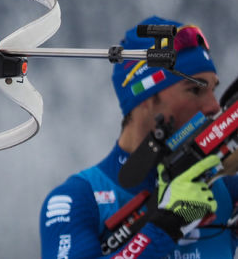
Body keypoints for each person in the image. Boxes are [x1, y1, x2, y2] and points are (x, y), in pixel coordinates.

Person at [39, 16, 238, 258]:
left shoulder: (226, 188)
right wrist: (168, 223)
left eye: (214, 90)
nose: (213, 106)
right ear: (146, 98)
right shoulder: (78, 199)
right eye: (195, 89)